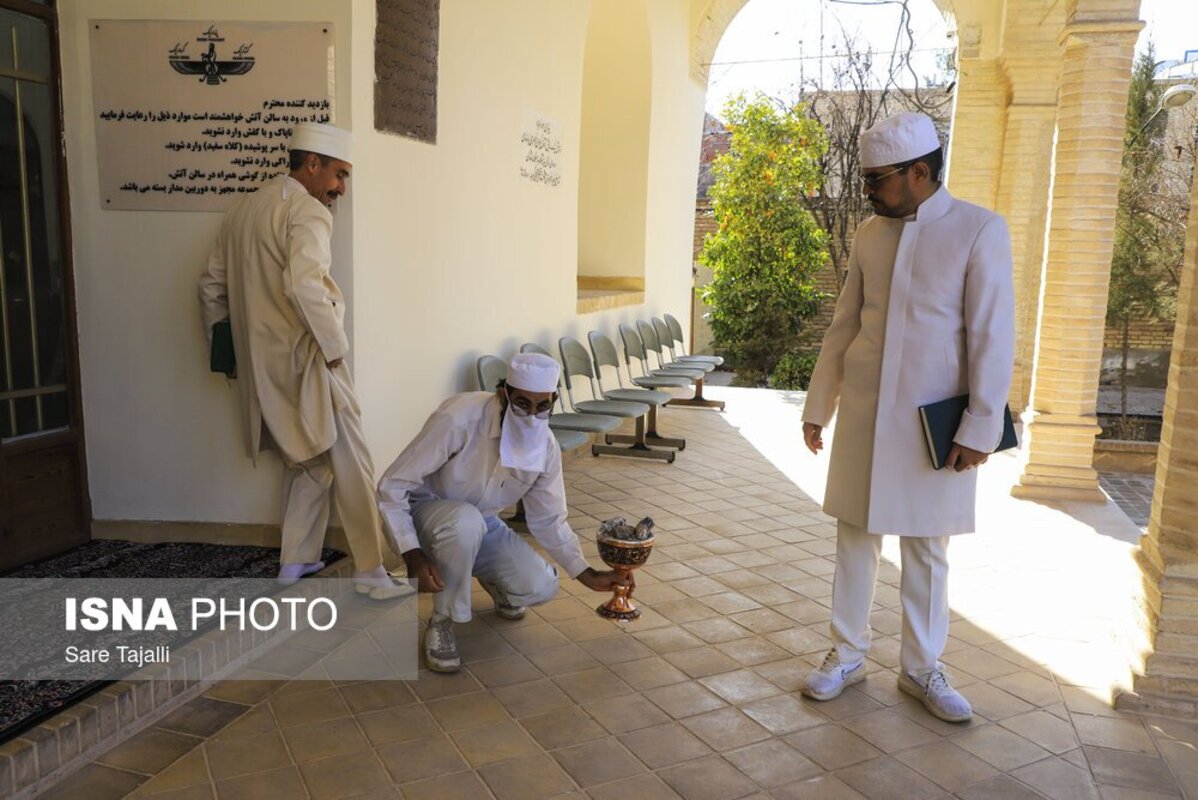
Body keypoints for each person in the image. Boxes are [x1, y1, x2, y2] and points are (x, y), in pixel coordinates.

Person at [799, 112, 1014, 722]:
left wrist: (980, 428)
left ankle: (922, 668)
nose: (868, 191)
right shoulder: (870, 234)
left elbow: (993, 337)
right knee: (855, 538)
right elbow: (845, 325)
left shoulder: (979, 230)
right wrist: (821, 405)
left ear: (920, 171)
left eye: (878, 179)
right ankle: (845, 653)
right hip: (866, 416)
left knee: (926, 546)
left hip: (934, 427)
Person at [198, 121, 405, 597]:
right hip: (310, 359)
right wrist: (336, 351)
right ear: (312, 164)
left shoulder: (244, 208)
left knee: (311, 464)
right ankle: (372, 572)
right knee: (352, 459)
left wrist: (225, 353)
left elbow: (209, 287)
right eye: (339, 174)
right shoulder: (309, 213)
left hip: (260, 368)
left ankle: (295, 561)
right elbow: (303, 286)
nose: (341, 189)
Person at [377, 352, 632, 673]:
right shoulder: (460, 419)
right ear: (504, 394)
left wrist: (585, 573)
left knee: (540, 586)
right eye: (523, 403)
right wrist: (411, 552)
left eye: (543, 406)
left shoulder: (546, 447)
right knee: (463, 523)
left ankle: (492, 577)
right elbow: (392, 485)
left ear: (554, 399)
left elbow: (549, 519)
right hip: (425, 512)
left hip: (479, 523)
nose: (532, 414)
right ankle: (442, 621)